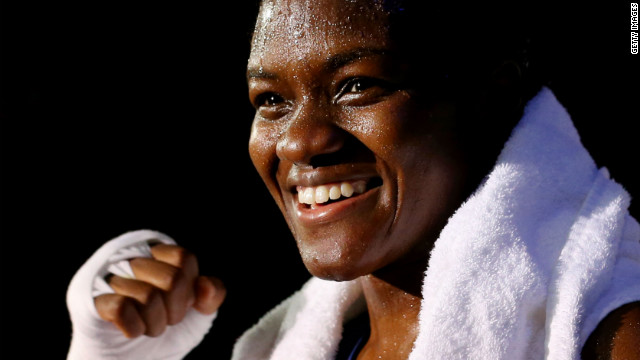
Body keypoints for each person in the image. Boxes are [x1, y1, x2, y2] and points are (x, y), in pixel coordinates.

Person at [66, 1, 640, 359]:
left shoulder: (615, 332)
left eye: (357, 84)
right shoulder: (303, 344)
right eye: (271, 100)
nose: (297, 141)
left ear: (490, 94)